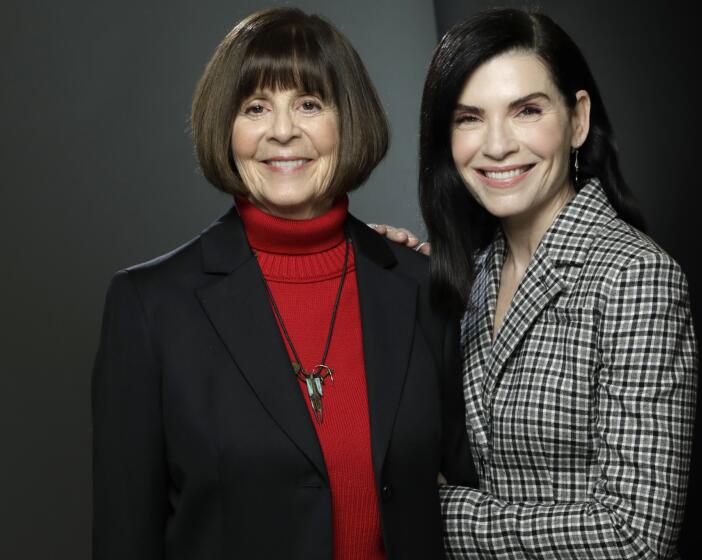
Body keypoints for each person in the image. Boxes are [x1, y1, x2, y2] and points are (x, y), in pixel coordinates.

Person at [91, 7, 475, 559]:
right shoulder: (150, 307)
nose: (282, 131)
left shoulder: (421, 288)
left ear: (349, 120)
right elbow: (126, 539)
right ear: (227, 127)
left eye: (309, 104)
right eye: (255, 108)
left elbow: (461, 493)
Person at [379, 8, 697, 558]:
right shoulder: (465, 273)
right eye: (468, 118)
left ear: (577, 119)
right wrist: (380, 275)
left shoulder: (635, 277)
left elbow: (635, 537)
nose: (497, 145)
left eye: (526, 111)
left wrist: (433, 510)